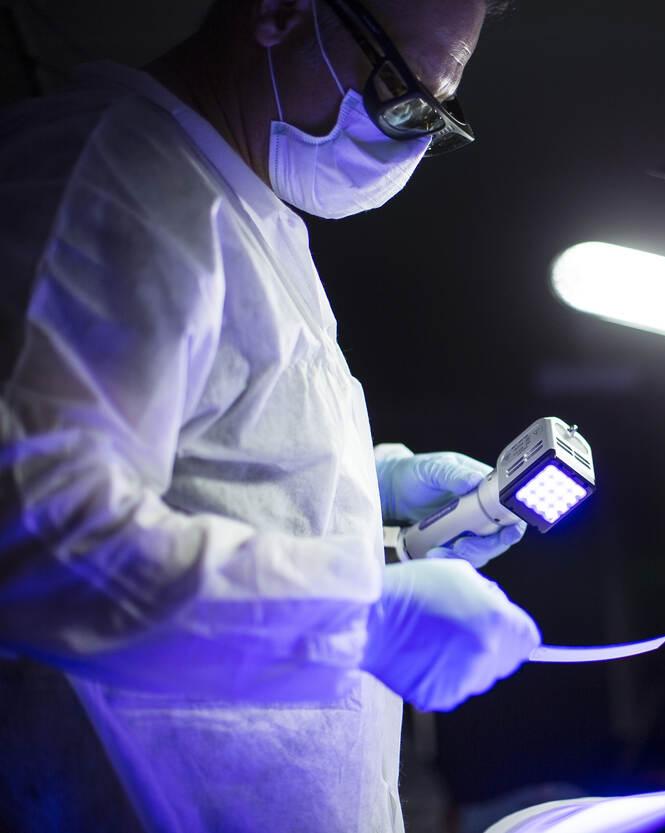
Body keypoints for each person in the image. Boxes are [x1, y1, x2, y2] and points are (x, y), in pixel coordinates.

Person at [0, 1, 537, 830]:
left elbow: (210, 472)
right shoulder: (110, 175)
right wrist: (357, 618)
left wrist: (374, 511)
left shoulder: (235, 207)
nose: (409, 141)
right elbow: (35, 536)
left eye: (436, 114)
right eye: (402, 93)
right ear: (280, 11)